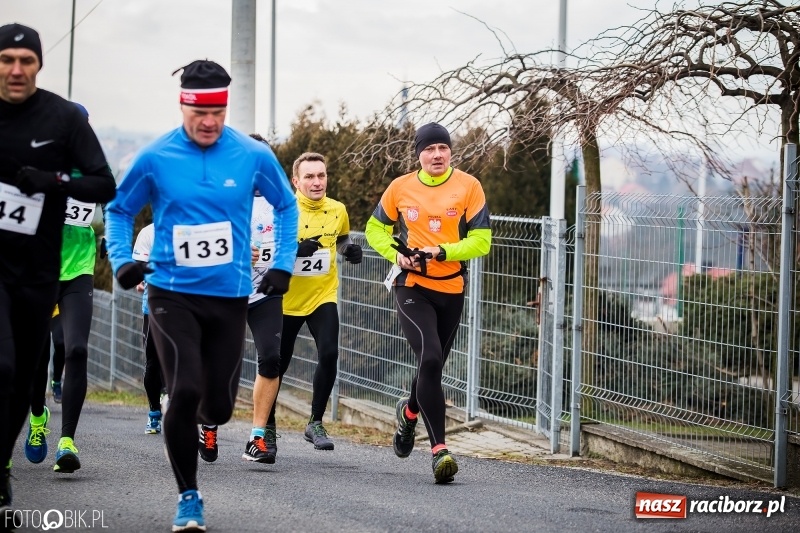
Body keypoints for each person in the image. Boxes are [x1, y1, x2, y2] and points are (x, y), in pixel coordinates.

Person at [105, 60, 298, 532]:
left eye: (218, 110)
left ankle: (205, 421)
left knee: (218, 406)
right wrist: (121, 260)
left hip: (230, 295)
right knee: (185, 389)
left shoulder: (251, 155)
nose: (209, 121)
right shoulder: (156, 157)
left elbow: (286, 206)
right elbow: (118, 211)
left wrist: (282, 264)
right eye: (199, 111)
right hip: (172, 294)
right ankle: (188, 498)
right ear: (183, 105)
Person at [0, 22, 115, 517]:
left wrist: (56, 180)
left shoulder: (64, 130)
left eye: (26, 60)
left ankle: (47, 442)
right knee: (7, 367)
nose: (16, 69)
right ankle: (23, 437)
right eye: (7, 59)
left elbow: (103, 186)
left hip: (56, 272)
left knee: (51, 362)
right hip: (6, 271)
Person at [364, 122, 491, 484]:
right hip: (412, 286)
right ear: (418, 154)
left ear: (451, 152)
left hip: (451, 288)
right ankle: (440, 452)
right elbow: (375, 229)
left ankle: (409, 414)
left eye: (443, 148)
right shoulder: (400, 187)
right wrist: (396, 254)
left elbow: (482, 241)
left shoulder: (469, 186)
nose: (436, 154)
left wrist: (443, 250)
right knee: (431, 357)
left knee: (430, 368)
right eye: (429, 149)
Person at [24, 101, 104, 473]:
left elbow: (115, 207)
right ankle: (38, 418)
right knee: (36, 360)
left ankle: (67, 441)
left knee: (76, 349)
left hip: (78, 272)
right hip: (38, 273)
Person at [265, 152, 362, 453]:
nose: (317, 182)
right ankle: (266, 428)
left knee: (330, 353)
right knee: (275, 366)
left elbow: (342, 238)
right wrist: (294, 250)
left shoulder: (338, 209)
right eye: (309, 176)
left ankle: (315, 422)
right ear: (295, 181)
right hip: (284, 299)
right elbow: (265, 250)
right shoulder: (281, 209)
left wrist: (349, 249)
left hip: (323, 294)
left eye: (321, 175)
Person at [131, 223, 166, 434]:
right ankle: (154, 412)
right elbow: (138, 266)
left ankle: (174, 404)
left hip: (185, 305)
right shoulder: (149, 232)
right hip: (153, 305)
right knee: (153, 361)